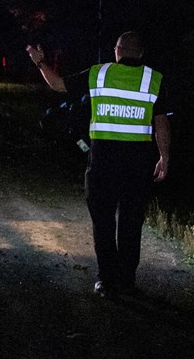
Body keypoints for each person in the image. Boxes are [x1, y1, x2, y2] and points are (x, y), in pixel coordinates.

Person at [26, 32, 171, 297]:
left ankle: (106, 280)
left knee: (103, 222)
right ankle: (127, 281)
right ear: (140, 54)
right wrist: (164, 156)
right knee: (131, 224)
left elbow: (57, 84)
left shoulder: (99, 74)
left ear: (118, 51)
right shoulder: (154, 79)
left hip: (103, 162)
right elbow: (161, 121)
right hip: (138, 165)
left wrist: (39, 62)